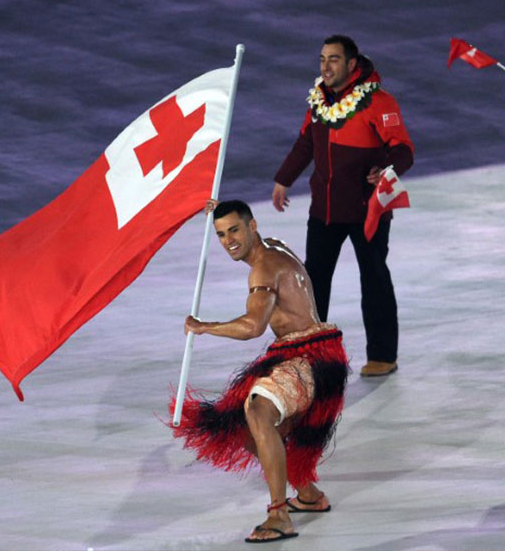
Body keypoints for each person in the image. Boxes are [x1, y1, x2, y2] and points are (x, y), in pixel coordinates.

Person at [170, 200, 350, 543]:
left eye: (234, 230)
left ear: (252, 226)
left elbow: (253, 326)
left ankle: (279, 515)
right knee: (240, 423)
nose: (228, 241)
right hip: (315, 352)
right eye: (221, 234)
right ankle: (308, 494)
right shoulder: (274, 246)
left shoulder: (264, 269)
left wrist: (203, 327)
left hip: (308, 359)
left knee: (257, 412)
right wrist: (219, 207)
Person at [271, 34, 414, 377]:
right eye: (322, 59)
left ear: (351, 64)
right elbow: (306, 143)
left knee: (374, 278)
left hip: (367, 210)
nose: (325, 66)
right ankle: (310, 354)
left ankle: (383, 356)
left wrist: (386, 169)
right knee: (312, 283)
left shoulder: (379, 102)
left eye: (333, 59)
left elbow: (403, 149)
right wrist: (283, 179)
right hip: (324, 210)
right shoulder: (319, 100)